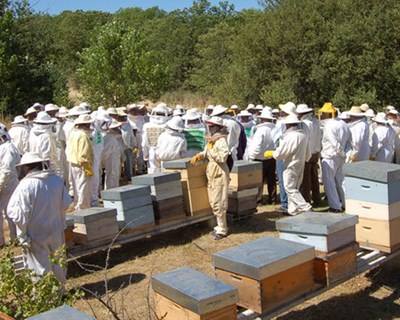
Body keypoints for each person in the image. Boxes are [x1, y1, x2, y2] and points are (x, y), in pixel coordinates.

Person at [7, 152, 71, 283]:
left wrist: (23, 235)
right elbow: (66, 203)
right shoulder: (56, 180)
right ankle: (61, 292)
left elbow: (17, 214)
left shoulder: (25, 186)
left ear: (25, 168)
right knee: (58, 262)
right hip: (56, 230)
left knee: (39, 267)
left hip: (36, 234)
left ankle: (47, 298)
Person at [191, 116, 230, 240]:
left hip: (219, 171)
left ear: (218, 127)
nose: (210, 128)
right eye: (209, 126)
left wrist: (211, 149)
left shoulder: (221, 141)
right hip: (212, 171)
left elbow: (223, 158)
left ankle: (222, 229)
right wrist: (200, 155)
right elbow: (207, 152)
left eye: (212, 126)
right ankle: (219, 226)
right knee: (214, 200)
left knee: (219, 201)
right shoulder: (212, 140)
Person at [266, 113, 312, 215]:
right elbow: (308, 153)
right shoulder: (303, 135)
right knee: (294, 188)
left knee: (289, 188)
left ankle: (305, 206)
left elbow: (280, 154)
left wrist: (272, 153)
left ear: (288, 125)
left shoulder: (291, 137)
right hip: (300, 165)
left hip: (291, 165)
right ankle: (293, 210)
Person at [320, 109, 352, 212]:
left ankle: (335, 206)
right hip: (340, 157)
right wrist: (344, 154)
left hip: (330, 156)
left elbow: (333, 141)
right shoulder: (344, 124)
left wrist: (340, 152)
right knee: (341, 181)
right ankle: (347, 204)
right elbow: (349, 141)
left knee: (329, 182)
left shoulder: (329, 125)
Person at [245, 109, 277, 204]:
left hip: (260, 159)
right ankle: (273, 199)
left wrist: (251, 157)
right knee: (272, 180)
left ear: (262, 119)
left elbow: (256, 146)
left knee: (259, 181)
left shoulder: (261, 130)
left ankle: (259, 199)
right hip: (272, 157)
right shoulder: (275, 129)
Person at [66, 114, 94, 210]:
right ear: (86, 125)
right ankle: (83, 207)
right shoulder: (83, 136)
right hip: (82, 164)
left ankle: (78, 204)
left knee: (76, 186)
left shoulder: (73, 134)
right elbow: (84, 154)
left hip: (73, 163)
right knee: (83, 187)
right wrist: (88, 168)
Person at [273, 102, 297, 213]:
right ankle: (293, 203)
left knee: (284, 180)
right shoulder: (300, 124)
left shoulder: (281, 123)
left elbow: (274, 138)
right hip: (296, 154)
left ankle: (285, 204)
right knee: (293, 180)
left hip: (283, 153)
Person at [296, 104, 322, 206]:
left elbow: (305, 139)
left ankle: (306, 200)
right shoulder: (316, 121)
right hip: (315, 152)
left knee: (306, 179)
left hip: (308, 152)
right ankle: (317, 198)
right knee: (314, 177)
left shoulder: (304, 123)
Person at [0, 129, 21, 246]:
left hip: (9, 185)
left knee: (11, 212)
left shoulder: (8, 148)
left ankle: (15, 238)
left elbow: (7, 170)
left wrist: (0, 185)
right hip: (5, 183)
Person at [142, 103, 169, 173]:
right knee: (165, 172)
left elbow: (144, 143)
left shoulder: (146, 126)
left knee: (153, 172)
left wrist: (145, 155)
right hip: (165, 152)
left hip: (152, 152)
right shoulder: (168, 125)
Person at [102, 119, 123, 189]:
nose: (118, 129)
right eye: (116, 128)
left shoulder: (114, 138)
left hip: (115, 162)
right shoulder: (108, 138)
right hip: (111, 163)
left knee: (114, 176)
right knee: (112, 177)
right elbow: (104, 153)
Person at [127, 103, 148, 174]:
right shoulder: (127, 118)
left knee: (141, 152)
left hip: (140, 136)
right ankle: (132, 170)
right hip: (131, 137)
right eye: (133, 110)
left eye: (136, 109)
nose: (135, 111)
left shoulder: (141, 118)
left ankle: (140, 169)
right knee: (132, 153)